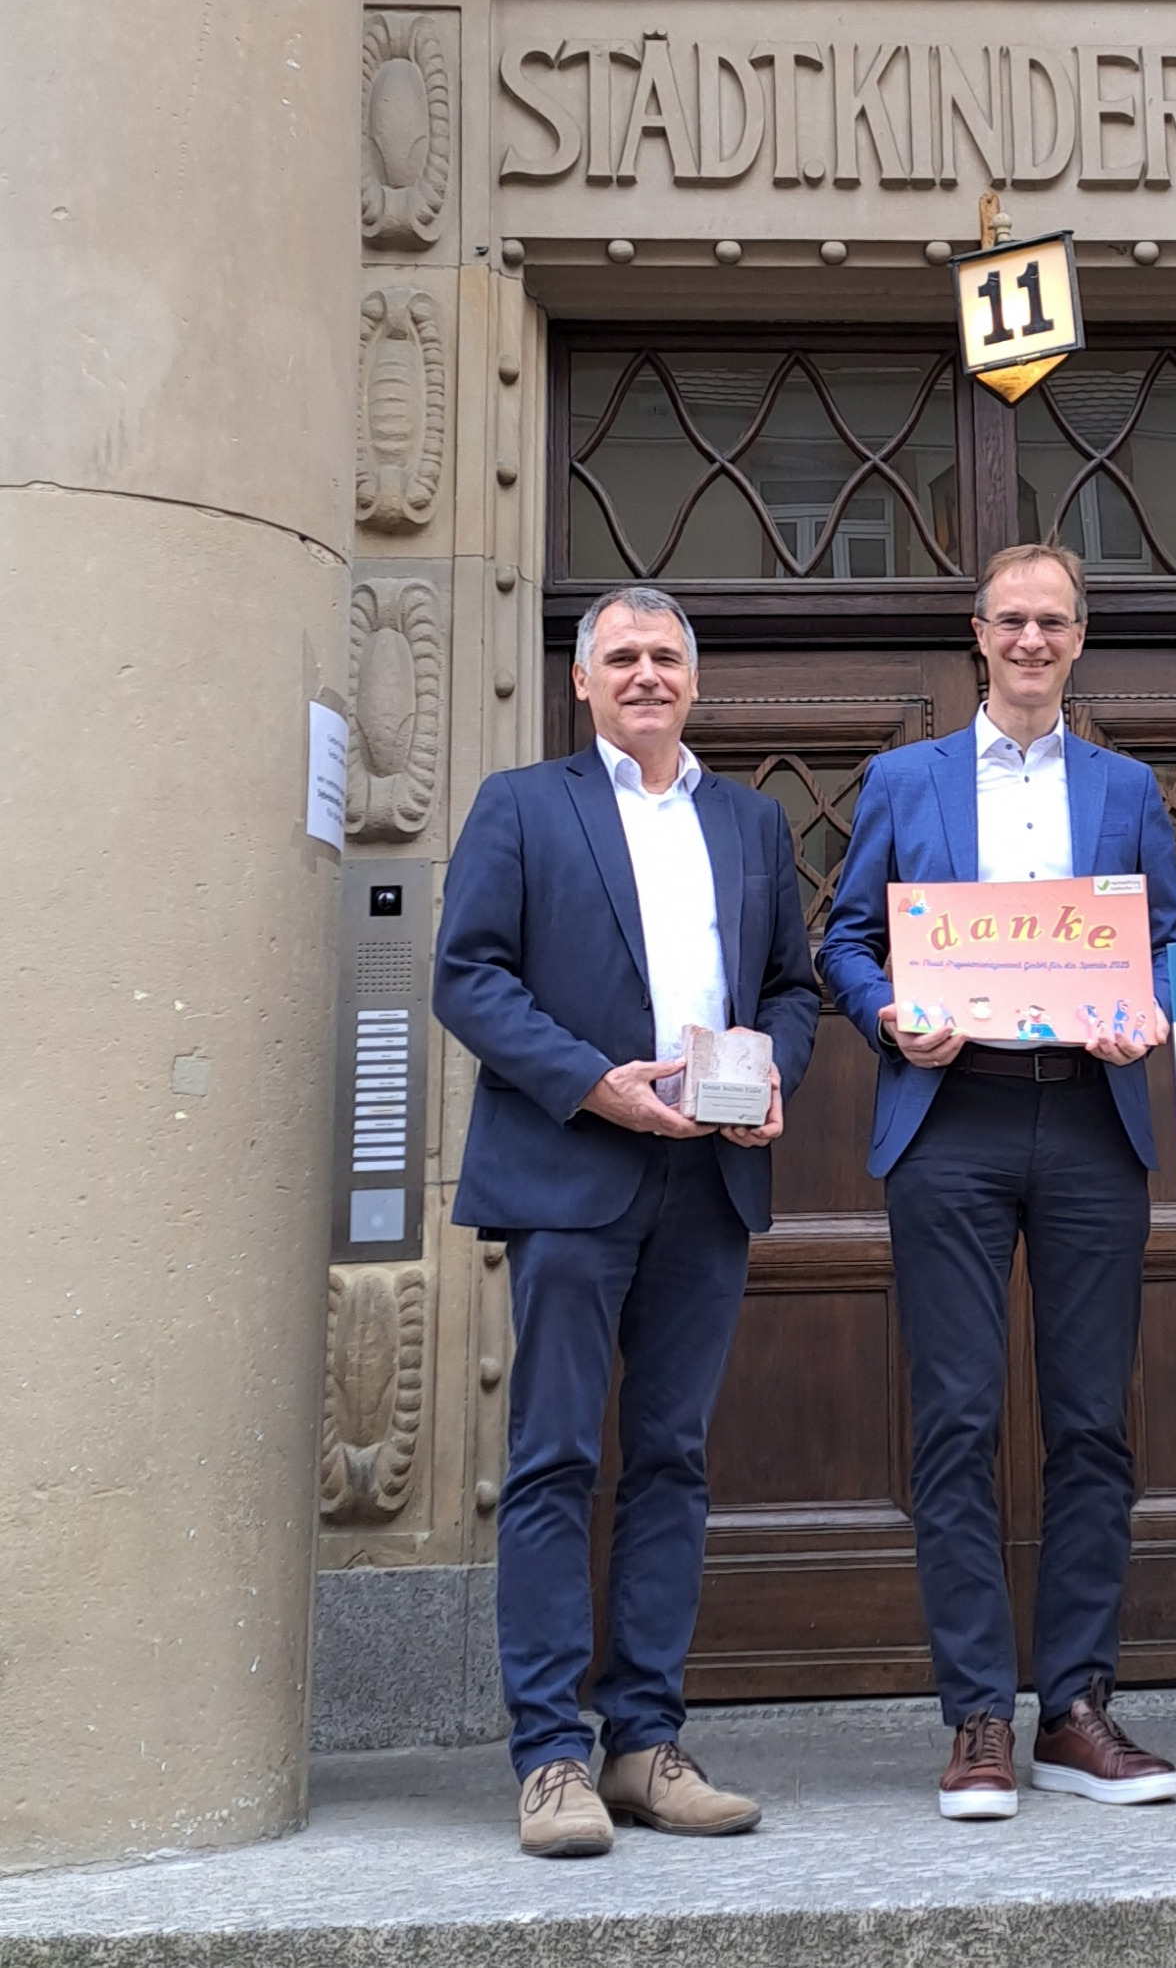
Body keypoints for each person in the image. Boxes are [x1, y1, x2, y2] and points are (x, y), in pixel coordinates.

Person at [435, 585, 820, 1858]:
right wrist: (592, 1082)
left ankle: (646, 1743)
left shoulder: (750, 820)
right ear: (582, 679)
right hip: (571, 1172)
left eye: (665, 656)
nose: (645, 673)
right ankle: (551, 1756)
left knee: (671, 1459)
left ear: (693, 681)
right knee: (553, 1458)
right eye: (622, 656)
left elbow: (790, 986)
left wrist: (774, 1071)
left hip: (707, 1181)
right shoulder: (521, 806)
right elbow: (467, 976)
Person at [818, 542, 1176, 1821]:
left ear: (1079, 640)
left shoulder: (1127, 788)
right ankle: (977, 1711)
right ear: (976, 635)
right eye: (1011, 620)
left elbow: (1168, 943)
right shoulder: (904, 778)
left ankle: (1074, 1709)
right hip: (952, 1122)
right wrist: (884, 1015)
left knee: (1090, 1423)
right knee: (957, 1420)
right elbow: (847, 938)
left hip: (1088, 1119)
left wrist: (1150, 1013)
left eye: (1054, 622)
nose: (1032, 641)